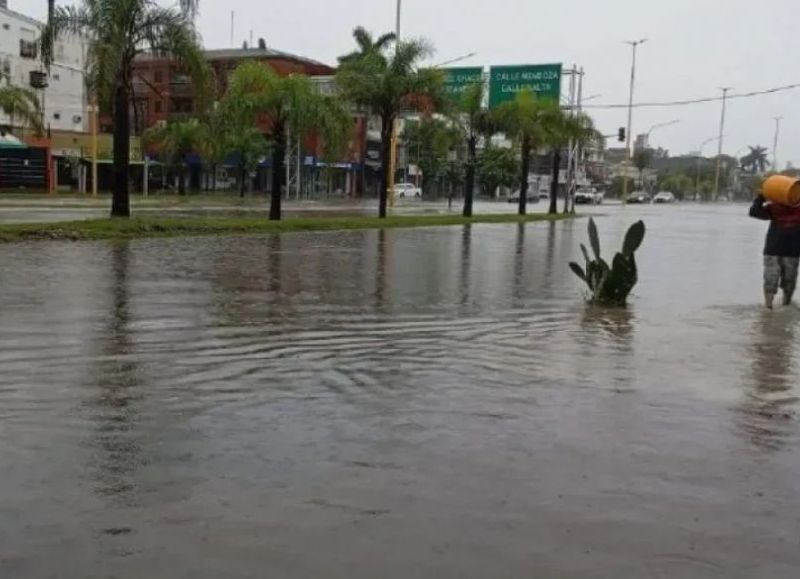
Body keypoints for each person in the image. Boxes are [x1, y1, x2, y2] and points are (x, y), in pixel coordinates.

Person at [749, 193, 800, 308]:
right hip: (773, 250)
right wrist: (761, 197)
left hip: (792, 252)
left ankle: (786, 305)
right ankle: (768, 308)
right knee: (770, 279)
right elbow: (754, 212)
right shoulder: (775, 207)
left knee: (789, 281)